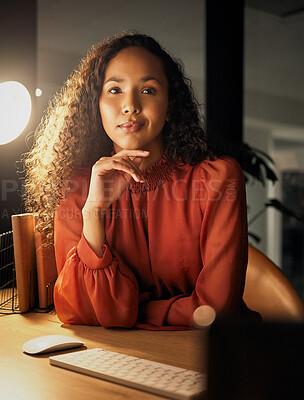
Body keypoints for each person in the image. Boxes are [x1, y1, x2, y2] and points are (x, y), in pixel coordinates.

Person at [24, 31, 251, 330]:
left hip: (208, 357)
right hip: (120, 359)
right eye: (115, 90)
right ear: (97, 106)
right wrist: (93, 212)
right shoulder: (77, 187)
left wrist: (129, 312)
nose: (130, 105)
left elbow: (215, 311)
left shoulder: (217, 178)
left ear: (169, 107)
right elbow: (78, 313)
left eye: (148, 90)